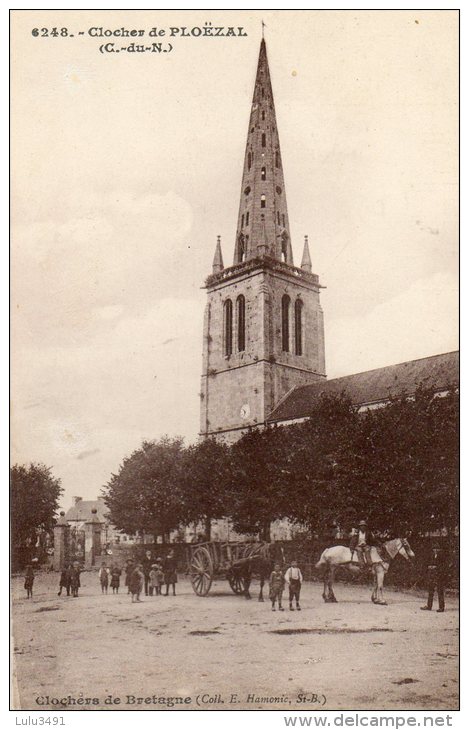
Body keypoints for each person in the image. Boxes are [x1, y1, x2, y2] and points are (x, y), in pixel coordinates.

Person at [421, 543, 448, 613]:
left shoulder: (442, 556)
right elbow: (428, 563)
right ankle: (429, 606)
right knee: (430, 590)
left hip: (439, 576)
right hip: (432, 575)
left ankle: (441, 607)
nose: (435, 550)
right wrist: (429, 567)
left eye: (437, 549)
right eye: (434, 549)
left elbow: (444, 566)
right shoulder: (432, 555)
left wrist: (436, 567)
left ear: (439, 549)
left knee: (440, 591)